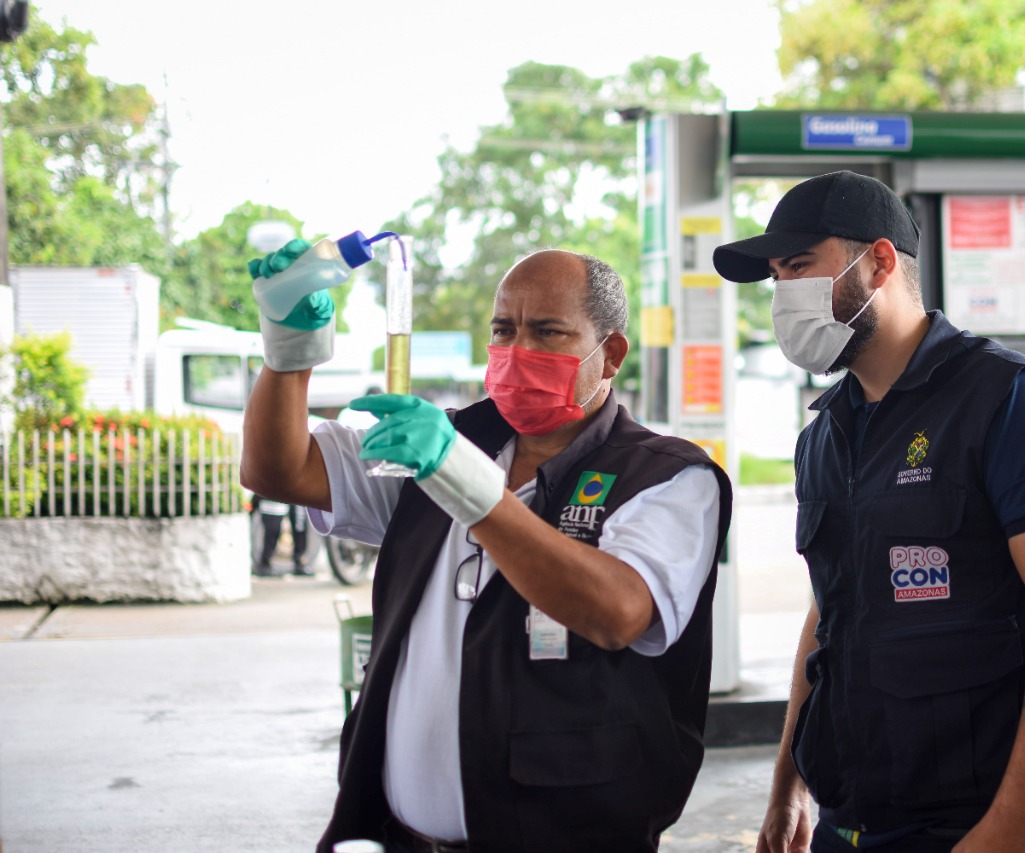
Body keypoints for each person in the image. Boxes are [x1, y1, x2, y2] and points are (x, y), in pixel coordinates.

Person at [240, 243, 732, 853]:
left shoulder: (667, 477)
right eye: (504, 330)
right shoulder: (443, 441)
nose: (518, 351)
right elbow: (279, 470)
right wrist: (288, 352)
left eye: (547, 332)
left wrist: (461, 478)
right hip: (402, 836)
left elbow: (618, 612)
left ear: (610, 356)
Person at [712, 171, 1025, 853]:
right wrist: (789, 789)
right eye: (776, 277)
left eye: (801, 267)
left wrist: (1016, 819)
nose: (783, 296)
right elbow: (830, 610)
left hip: (977, 821)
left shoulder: (1010, 401)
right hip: (851, 810)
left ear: (879, 261)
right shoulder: (825, 434)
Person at [250, 493, 310, 577]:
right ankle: (264, 563)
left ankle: (299, 562)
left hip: (296, 489)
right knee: (273, 528)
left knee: (299, 523)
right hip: (274, 491)